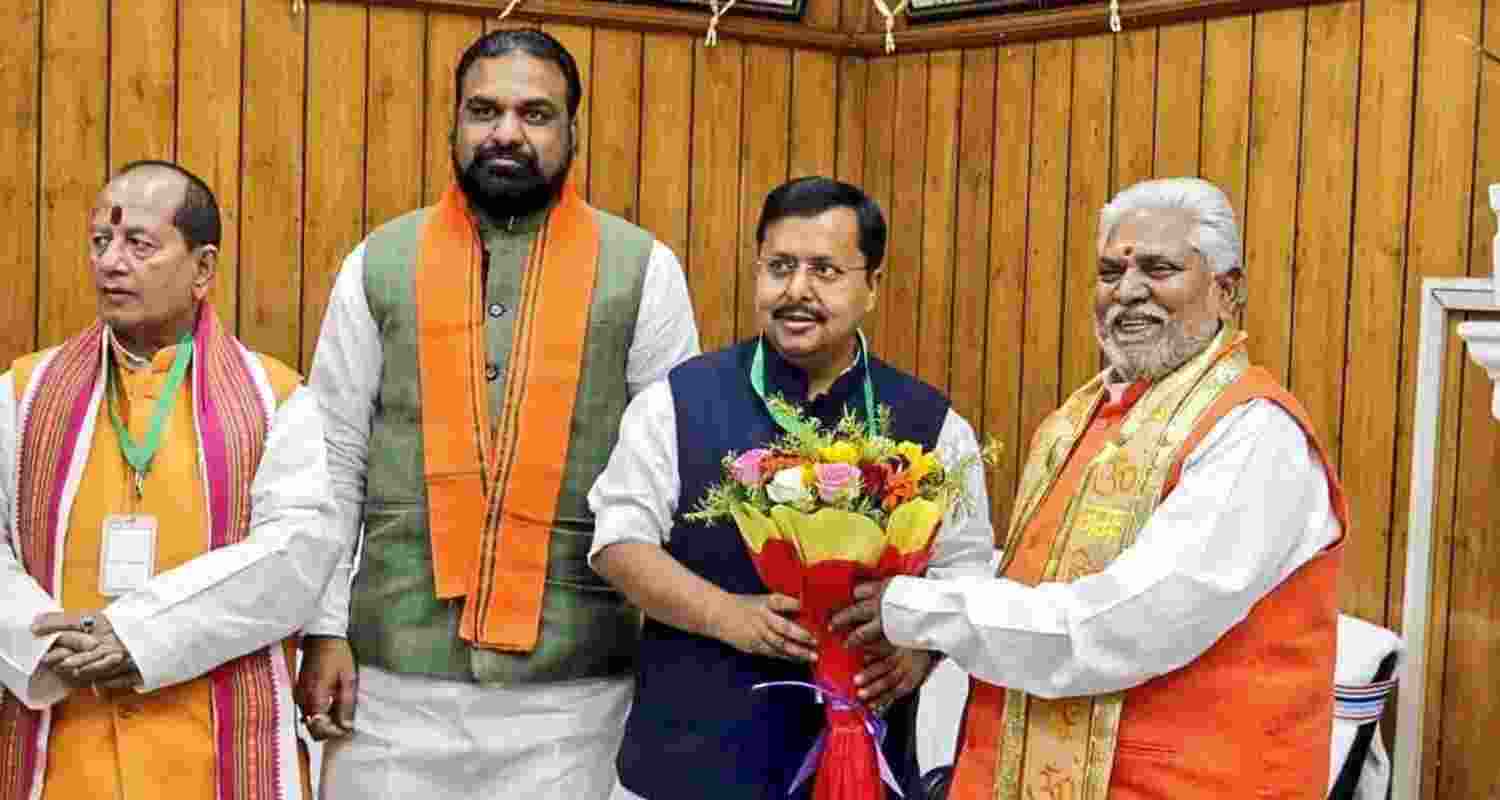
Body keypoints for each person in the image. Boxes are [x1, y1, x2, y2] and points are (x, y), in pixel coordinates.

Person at [834, 177, 1347, 800]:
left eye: (1159, 268)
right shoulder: (1078, 419)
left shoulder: (1257, 434)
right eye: (1110, 271)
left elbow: (1125, 626)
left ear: (1226, 290)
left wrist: (914, 610)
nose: (1128, 292)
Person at [296, 27, 700, 799]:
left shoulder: (643, 270)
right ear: (453, 123)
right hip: (390, 681)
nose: (506, 132)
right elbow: (334, 455)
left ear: (572, 131)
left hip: (574, 689)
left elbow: (669, 478)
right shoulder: (380, 261)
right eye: (484, 110)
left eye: (536, 114)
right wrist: (323, 626)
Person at [589, 176, 994, 800]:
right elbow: (618, 542)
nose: (797, 290)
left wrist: (919, 657)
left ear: (873, 286)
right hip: (689, 766)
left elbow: (964, 570)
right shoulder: (678, 401)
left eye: (826, 270)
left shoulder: (933, 424)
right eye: (779, 267)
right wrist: (730, 616)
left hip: (864, 771)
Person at [0, 160, 337, 800]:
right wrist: (38, 637)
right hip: (64, 748)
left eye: (139, 244)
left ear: (203, 269)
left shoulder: (275, 399)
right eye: (101, 241)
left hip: (211, 753)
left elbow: (294, 559)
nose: (111, 262)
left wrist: (139, 635)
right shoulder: (23, 393)